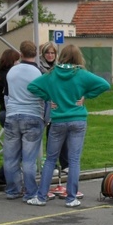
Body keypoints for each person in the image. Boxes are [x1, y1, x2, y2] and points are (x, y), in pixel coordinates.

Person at [27, 44, 110, 207]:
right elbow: (104, 85)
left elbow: (32, 86)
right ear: (78, 57)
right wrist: (86, 95)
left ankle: (41, 197)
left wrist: (49, 97)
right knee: (74, 160)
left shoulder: (52, 74)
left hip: (58, 121)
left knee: (50, 159)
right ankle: (71, 198)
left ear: (61, 56)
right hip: (78, 119)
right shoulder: (81, 73)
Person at [2, 41, 45, 200]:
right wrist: (45, 118)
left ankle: (13, 190)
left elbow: (6, 96)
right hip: (33, 115)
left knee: (10, 158)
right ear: (36, 54)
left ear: (20, 54)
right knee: (29, 159)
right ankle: (30, 192)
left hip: (12, 115)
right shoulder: (38, 73)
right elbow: (44, 97)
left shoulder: (12, 71)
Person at [38, 41, 69, 175]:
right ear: (43, 54)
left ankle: (65, 163)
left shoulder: (59, 67)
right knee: (50, 135)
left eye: (52, 53)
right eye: (48, 53)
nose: (50, 55)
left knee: (63, 134)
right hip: (45, 104)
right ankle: (52, 164)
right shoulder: (39, 68)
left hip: (59, 105)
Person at [0, 48, 20, 186]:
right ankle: (2, 175)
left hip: (2, 111)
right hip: (11, 112)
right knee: (20, 149)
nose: (19, 63)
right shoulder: (11, 75)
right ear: (12, 61)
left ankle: (5, 175)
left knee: (14, 146)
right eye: (17, 60)